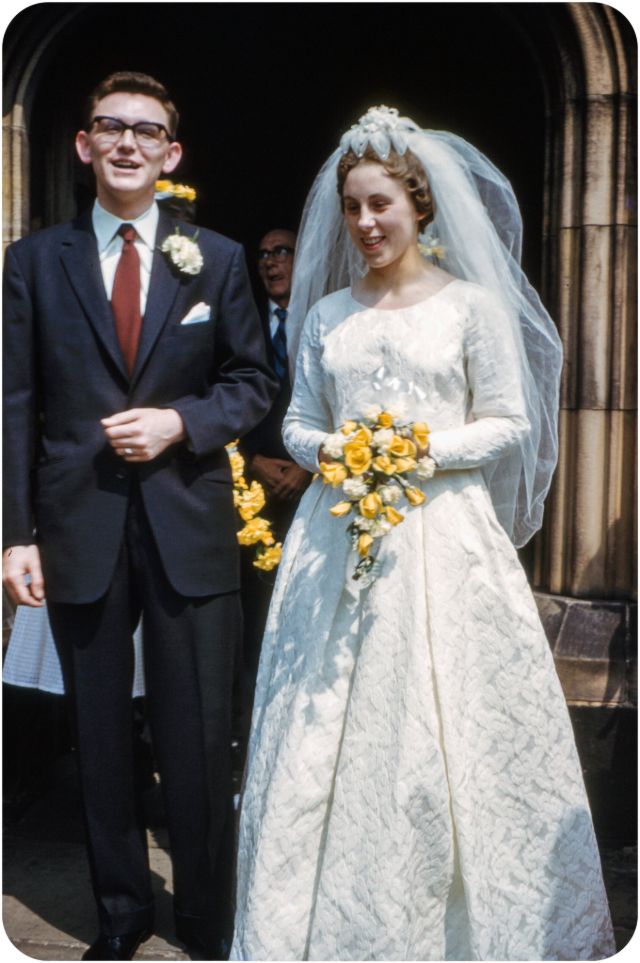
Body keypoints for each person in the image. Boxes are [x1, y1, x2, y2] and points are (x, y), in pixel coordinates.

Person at [230, 107, 615, 960]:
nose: (366, 224)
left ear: (421, 206)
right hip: (339, 543)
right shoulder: (326, 313)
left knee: (444, 731)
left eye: (382, 206)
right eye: (354, 207)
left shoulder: (473, 308)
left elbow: (509, 421)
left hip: (445, 539)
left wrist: (410, 452)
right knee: (324, 725)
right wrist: (343, 452)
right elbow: (297, 421)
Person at [2, 71, 277, 962]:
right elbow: (14, 403)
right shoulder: (33, 262)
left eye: (146, 131)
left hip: (187, 528)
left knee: (198, 736)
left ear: (171, 153)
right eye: (110, 128)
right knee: (99, 738)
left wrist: (179, 422)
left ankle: (205, 915)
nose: (128, 143)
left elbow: (253, 382)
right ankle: (120, 913)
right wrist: (14, 534)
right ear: (83, 145)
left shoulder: (220, 259)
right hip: (77, 529)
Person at [234, 230, 311, 757]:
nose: (270, 263)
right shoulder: (240, 319)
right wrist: (250, 460)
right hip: (248, 493)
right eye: (262, 254)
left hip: (314, 491)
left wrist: (308, 469)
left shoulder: (326, 317)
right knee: (250, 622)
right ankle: (247, 736)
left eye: (281, 251)